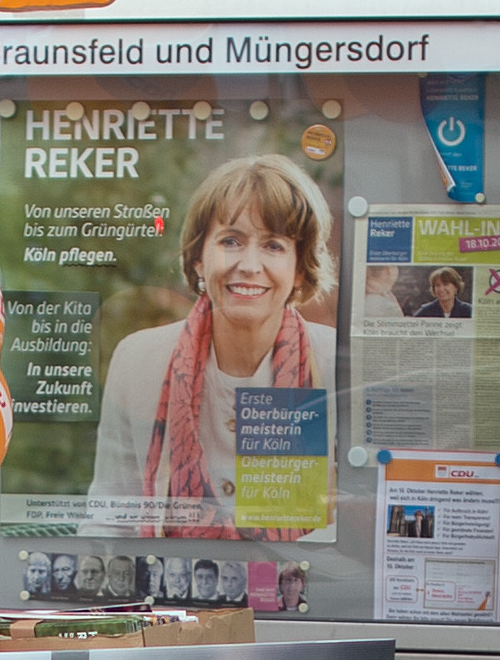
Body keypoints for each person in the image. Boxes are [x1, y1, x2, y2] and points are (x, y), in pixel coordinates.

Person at [86, 159, 340, 532]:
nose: (250, 264)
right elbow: (109, 523)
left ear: (300, 269)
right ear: (199, 259)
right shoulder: (137, 360)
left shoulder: (337, 364)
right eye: (231, 241)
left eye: (273, 245)